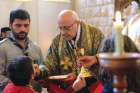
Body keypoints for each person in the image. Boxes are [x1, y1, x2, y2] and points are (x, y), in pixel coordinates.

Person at [45, 9, 104, 93]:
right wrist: (40, 71)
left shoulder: (95, 34)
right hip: (67, 88)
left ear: (77, 23)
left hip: (91, 88)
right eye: (60, 28)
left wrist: (85, 79)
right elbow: (49, 63)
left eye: (66, 28)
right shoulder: (57, 41)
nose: (63, 32)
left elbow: (106, 59)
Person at [0, 9, 43, 93]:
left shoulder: (36, 47)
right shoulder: (2, 47)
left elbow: (43, 66)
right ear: (10, 25)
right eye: (18, 25)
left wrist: (39, 71)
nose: (22, 29)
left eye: (26, 25)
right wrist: (20, 84)